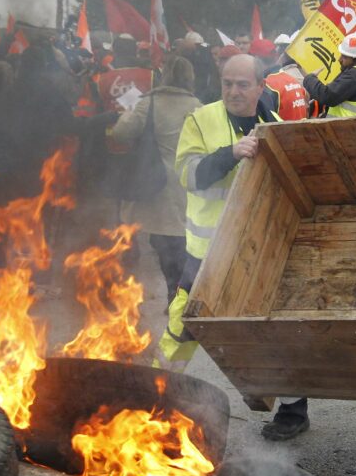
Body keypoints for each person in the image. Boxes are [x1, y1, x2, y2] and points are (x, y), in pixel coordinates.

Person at [153, 53, 278, 371]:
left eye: (242, 84)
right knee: (182, 328)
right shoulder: (200, 119)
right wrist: (231, 153)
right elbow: (189, 176)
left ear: (260, 87)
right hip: (205, 254)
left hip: (255, 252)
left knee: (270, 329)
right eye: (227, 83)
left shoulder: (275, 126)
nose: (233, 91)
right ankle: (157, 391)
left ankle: (291, 410)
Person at [111, 55, 201, 305]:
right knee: (180, 241)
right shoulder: (198, 106)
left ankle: (177, 294)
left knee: (163, 242)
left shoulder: (146, 103)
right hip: (186, 184)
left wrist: (127, 112)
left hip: (156, 185)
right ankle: (181, 294)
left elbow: (121, 133)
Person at [302, 32, 356, 117]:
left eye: (344, 57)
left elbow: (328, 96)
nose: (340, 60)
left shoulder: (355, 75)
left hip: (346, 128)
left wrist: (309, 79)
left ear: (355, 58)